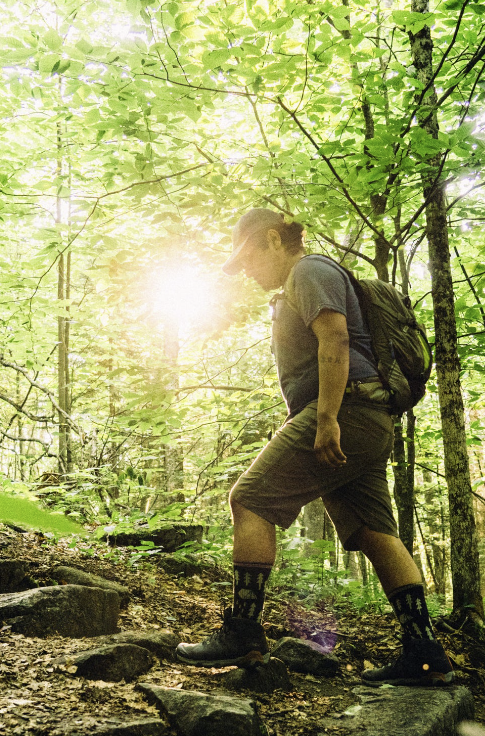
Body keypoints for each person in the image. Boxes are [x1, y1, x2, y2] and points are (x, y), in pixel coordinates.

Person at [175, 208, 454, 686]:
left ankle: (242, 631)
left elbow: (335, 338)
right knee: (371, 532)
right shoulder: (303, 281)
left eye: (249, 258)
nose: (246, 270)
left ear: (273, 240)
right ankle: (425, 654)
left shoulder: (309, 270)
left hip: (345, 412)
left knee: (249, 499)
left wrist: (325, 419)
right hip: (365, 418)